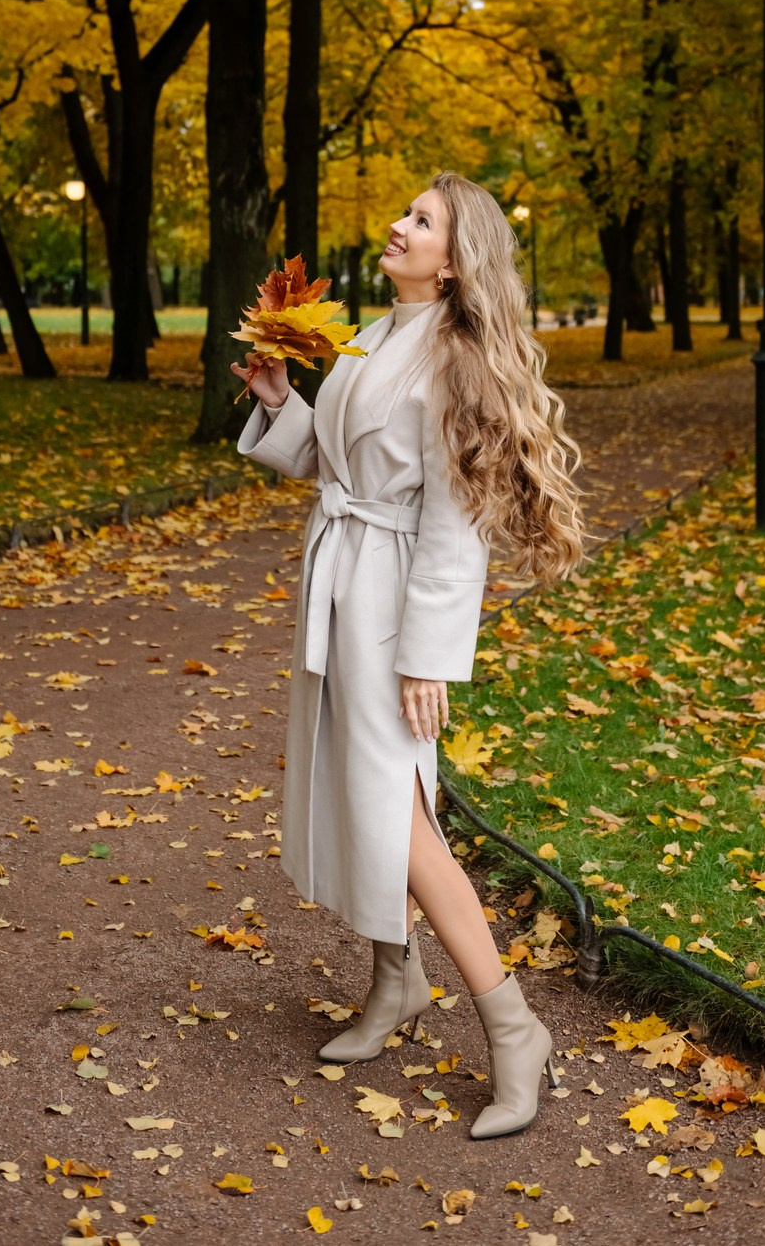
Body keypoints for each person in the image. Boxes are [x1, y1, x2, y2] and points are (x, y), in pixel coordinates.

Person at [229, 170, 587, 1139]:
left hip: (390, 606)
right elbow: (335, 464)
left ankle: (513, 1028)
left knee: (401, 813)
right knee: (360, 791)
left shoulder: (453, 362)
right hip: (340, 584)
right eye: (404, 212)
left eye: (421, 220)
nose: (398, 224)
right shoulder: (376, 335)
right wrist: (280, 402)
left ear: (456, 257)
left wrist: (425, 656)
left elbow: (455, 523)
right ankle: (395, 981)